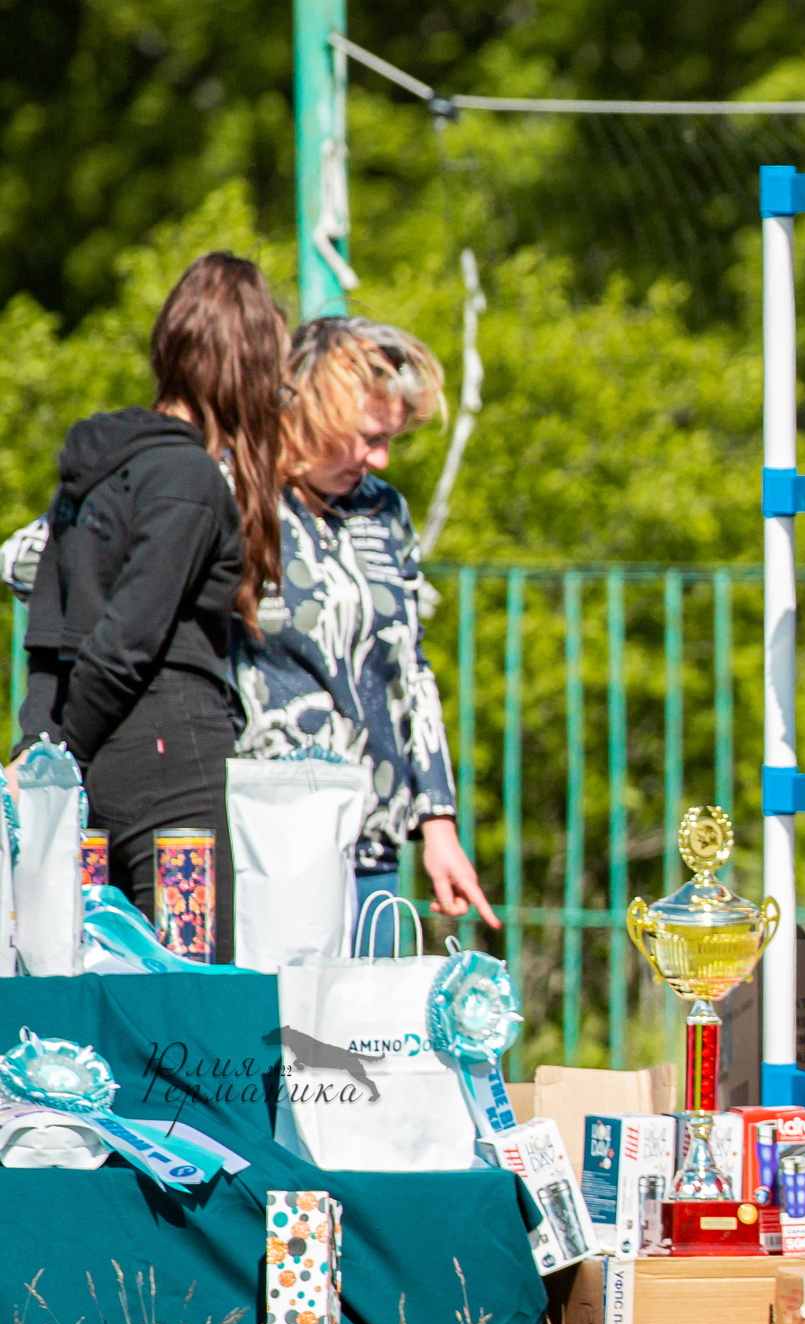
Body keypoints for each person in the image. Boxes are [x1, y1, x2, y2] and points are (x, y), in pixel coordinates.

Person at [14, 252, 289, 961]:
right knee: (187, 1016)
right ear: (245, 367)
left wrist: (40, 760)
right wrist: (62, 753)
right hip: (175, 778)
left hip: (87, 784)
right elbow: (125, 640)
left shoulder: (89, 477)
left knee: (87, 1002)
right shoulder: (191, 477)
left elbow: (47, 637)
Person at [236, 316, 496, 938]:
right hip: (264, 841)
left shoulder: (384, 508)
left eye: (391, 440)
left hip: (370, 847)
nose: (379, 459)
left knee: (355, 1037)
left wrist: (438, 822)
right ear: (310, 413)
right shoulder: (232, 493)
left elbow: (409, 664)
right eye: (366, 437)